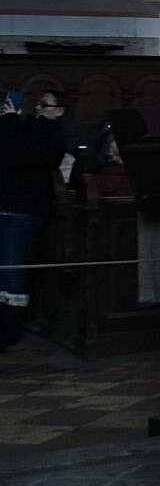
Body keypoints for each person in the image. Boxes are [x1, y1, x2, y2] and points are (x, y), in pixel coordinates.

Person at [0, 88, 66, 350]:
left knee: (12, 271)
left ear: (58, 111)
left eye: (44, 104)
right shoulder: (29, 128)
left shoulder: (51, 135)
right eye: (38, 103)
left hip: (23, 209)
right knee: (6, 270)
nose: (38, 108)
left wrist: (11, 120)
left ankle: (10, 330)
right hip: (11, 205)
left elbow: (19, 155)